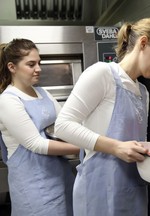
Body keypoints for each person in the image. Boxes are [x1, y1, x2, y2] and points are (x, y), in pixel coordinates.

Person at [55, 17, 150, 216]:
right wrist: (117, 147)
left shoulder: (143, 93)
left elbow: (137, 144)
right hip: (99, 192)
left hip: (132, 191)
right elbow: (63, 125)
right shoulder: (103, 74)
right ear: (143, 43)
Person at [0, 38, 80, 216]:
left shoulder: (42, 92)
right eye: (31, 64)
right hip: (33, 186)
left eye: (39, 63)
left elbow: (65, 124)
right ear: (12, 67)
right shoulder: (8, 100)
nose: (39, 69)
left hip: (60, 177)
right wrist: (87, 146)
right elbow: (37, 144)